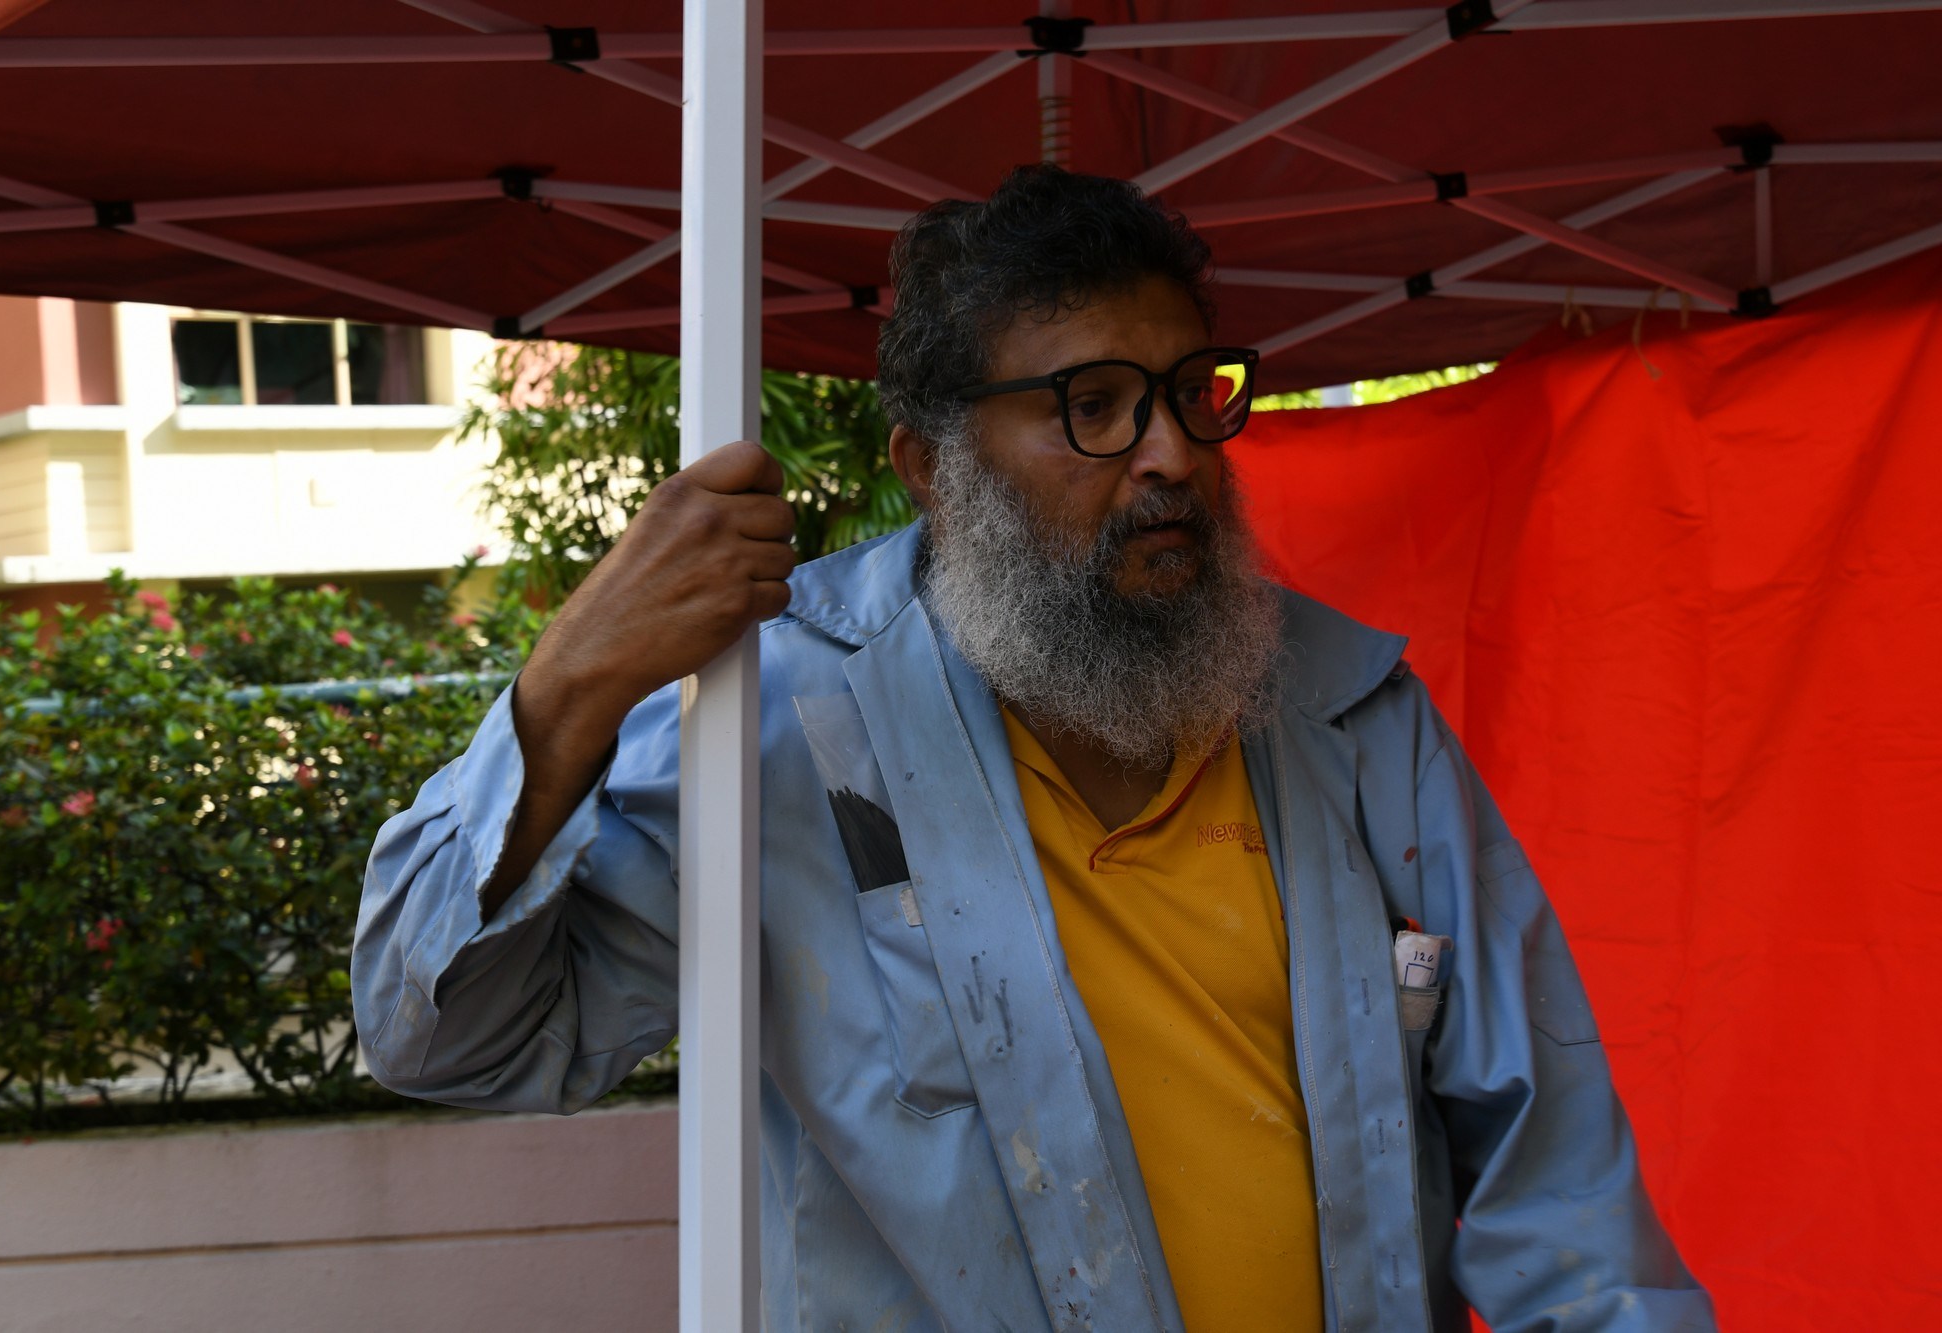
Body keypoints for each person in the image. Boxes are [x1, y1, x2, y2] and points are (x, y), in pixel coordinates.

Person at [354, 165, 1714, 1332]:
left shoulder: (1351, 714)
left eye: (1192, 393)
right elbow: (446, 1036)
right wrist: (574, 679)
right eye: (1094, 405)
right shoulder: (778, 721)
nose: (1171, 454)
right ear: (933, 468)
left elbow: (1562, 1196)